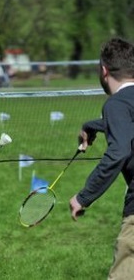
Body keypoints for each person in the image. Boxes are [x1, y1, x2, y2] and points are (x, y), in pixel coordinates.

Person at [69, 37, 134, 280]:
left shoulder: (115, 104)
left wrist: (83, 197)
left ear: (104, 71)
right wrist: (92, 126)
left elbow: (119, 151)